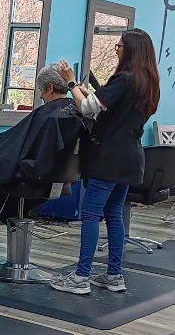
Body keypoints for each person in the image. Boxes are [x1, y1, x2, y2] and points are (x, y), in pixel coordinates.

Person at [51, 29, 160, 295]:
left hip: (110, 157)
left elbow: (88, 108)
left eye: (119, 46)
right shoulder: (148, 82)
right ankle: (114, 275)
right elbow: (111, 109)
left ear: (131, 50)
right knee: (114, 213)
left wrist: (71, 83)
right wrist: (88, 94)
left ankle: (81, 277)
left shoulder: (124, 78)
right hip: (131, 157)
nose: (117, 50)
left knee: (90, 213)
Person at [0, 64, 87, 241]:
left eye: (41, 91)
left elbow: (23, 148)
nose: (40, 96)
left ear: (50, 88)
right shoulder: (75, 112)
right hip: (60, 178)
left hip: (34, 176)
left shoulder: (49, 116)